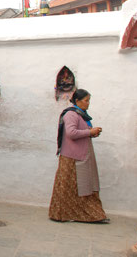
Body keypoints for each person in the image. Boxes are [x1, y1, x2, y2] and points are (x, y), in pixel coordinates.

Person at [49, 89, 108, 223]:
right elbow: (71, 133)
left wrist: (92, 132)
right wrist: (89, 132)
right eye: (86, 100)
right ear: (77, 101)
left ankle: (90, 214)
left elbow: (81, 132)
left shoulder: (81, 115)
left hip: (81, 156)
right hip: (72, 157)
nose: (88, 104)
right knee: (71, 188)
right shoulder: (71, 114)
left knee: (84, 186)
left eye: (89, 101)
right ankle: (62, 214)